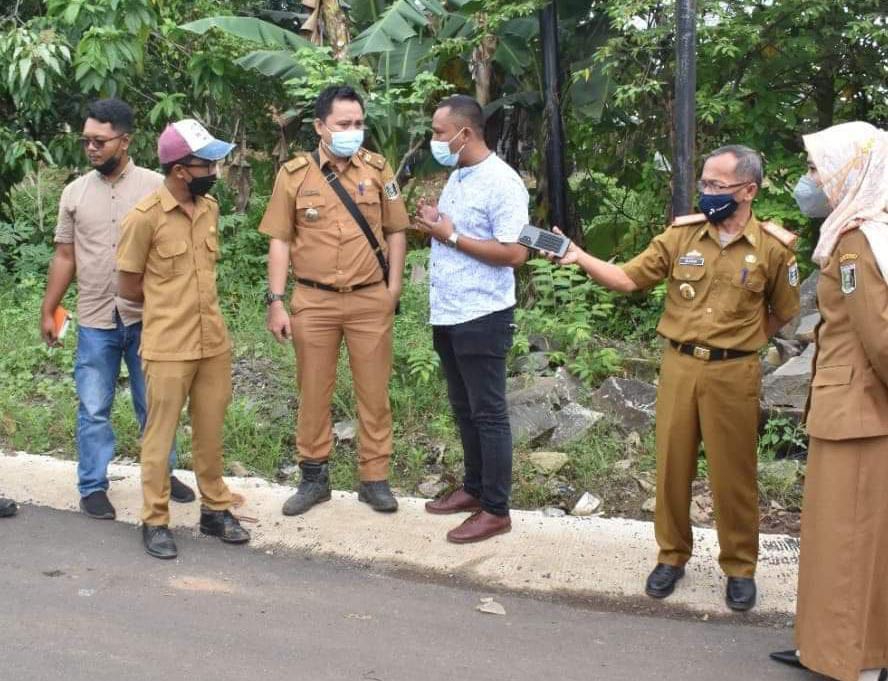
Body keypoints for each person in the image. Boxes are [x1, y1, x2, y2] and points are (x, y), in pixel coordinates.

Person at [546, 145, 800, 610]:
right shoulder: (681, 237)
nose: (706, 193)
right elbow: (626, 279)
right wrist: (580, 257)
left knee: (734, 475)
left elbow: (784, 311)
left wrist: (744, 341)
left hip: (734, 372)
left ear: (748, 191)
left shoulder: (773, 249)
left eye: (716, 186)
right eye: (703, 183)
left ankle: (740, 567)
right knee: (671, 467)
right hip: (680, 366)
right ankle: (671, 557)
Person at [770, 122, 888, 681]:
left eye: (818, 169)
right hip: (847, 407)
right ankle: (826, 644)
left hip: (859, 414)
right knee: (835, 536)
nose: (809, 180)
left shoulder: (858, 243)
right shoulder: (852, 235)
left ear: (848, 172)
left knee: (847, 542)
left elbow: (880, 336)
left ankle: (851, 658)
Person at [40, 98, 194, 520]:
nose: (91, 148)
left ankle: (163, 473)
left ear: (124, 141)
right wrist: (48, 308)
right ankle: (92, 485)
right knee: (93, 408)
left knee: (157, 404)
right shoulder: (74, 193)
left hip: (150, 319)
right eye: (87, 140)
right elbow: (65, 256)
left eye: (100, 141)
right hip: (94, 320)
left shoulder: (156, 188)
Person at [259, 85, 409, 516]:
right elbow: (280, 241)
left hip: (368, 301)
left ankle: (374, 479)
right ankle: (313, 477)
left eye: (359, 123)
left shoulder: (379, 170)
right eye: (344, 124)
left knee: (374, 393)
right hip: (314, 301)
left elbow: (397, 231)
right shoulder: (294, 175)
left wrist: (392, 289)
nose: (353, 131)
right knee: (313, 391)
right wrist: (276, 300)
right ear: (320, 127)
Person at [116, 119, 250, 559]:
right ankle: (154, 519)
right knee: (160, 437)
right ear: (179, 169)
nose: (214, 169)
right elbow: (129, 284)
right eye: (206, 162)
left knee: (210, 432)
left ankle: (215, 509)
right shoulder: (144, 218)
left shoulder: (208, 208)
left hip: (212, 341)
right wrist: (166, 309)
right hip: (167, 345)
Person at [413, 94, 529, 544]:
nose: (435, 141)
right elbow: (455, 231)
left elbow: (514, 252)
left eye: (441, 133)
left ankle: (496, 509)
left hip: (483, 312)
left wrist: (452, 234)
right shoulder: (459, 174)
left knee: (489, 413)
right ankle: (475, 489)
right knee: (464, 408)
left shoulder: (503, 182)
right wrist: (438, 223)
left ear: (466, 133)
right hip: (450, 311)